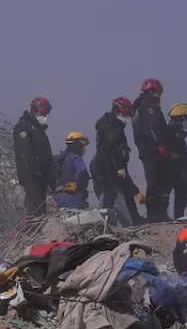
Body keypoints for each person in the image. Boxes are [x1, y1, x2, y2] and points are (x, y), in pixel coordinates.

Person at [91, 97, 145, 225]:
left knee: (124, 192)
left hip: (114, 171)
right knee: (111, 198)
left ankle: (134, 219)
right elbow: (112, 151)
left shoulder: (117, 129)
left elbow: (122, 170)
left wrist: (135, 191)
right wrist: (119, 166)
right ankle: (107, 226)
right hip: (107, 173)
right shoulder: (109, 129)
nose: (125, 117)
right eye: (124, 114)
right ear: (116, 112)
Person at [131, 78, 169, 223]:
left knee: (153, 180)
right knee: (157, 181)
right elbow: (153, 125)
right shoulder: (148, 105)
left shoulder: (138, 106)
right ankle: (156, 214)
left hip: (145, 149)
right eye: (159, 93)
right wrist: (160, 144)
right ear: (153, 91)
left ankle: (156, 213)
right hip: (153, 149)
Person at [13, 97, 55, 217]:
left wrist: (50, 176)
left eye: (45, 114)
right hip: (31, 177)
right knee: (35, 209)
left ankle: (40, 232)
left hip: (42, 178)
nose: (44, 116)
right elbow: (23, 153)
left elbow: (47, 155)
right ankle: (34, 231)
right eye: (42, 113)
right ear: (34, 110)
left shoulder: (40, 131)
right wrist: (34, 172)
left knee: (41, 210)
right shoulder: (24, 127)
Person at [159, 103, 187, 219]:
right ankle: (175, 217)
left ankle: (178, 217)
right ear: (182, 118)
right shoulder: (171, 132)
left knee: (184, 195)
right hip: (176, 171)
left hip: (179, 171)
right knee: (181, 194)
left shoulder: (177, 133)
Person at [53, 132, 91, 210]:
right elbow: (81, 170)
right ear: (78, 145)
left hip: (58, 196)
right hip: (73, 197)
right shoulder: (75, 158)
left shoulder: (60, 158)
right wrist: (76, 183)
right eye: (82, 146)